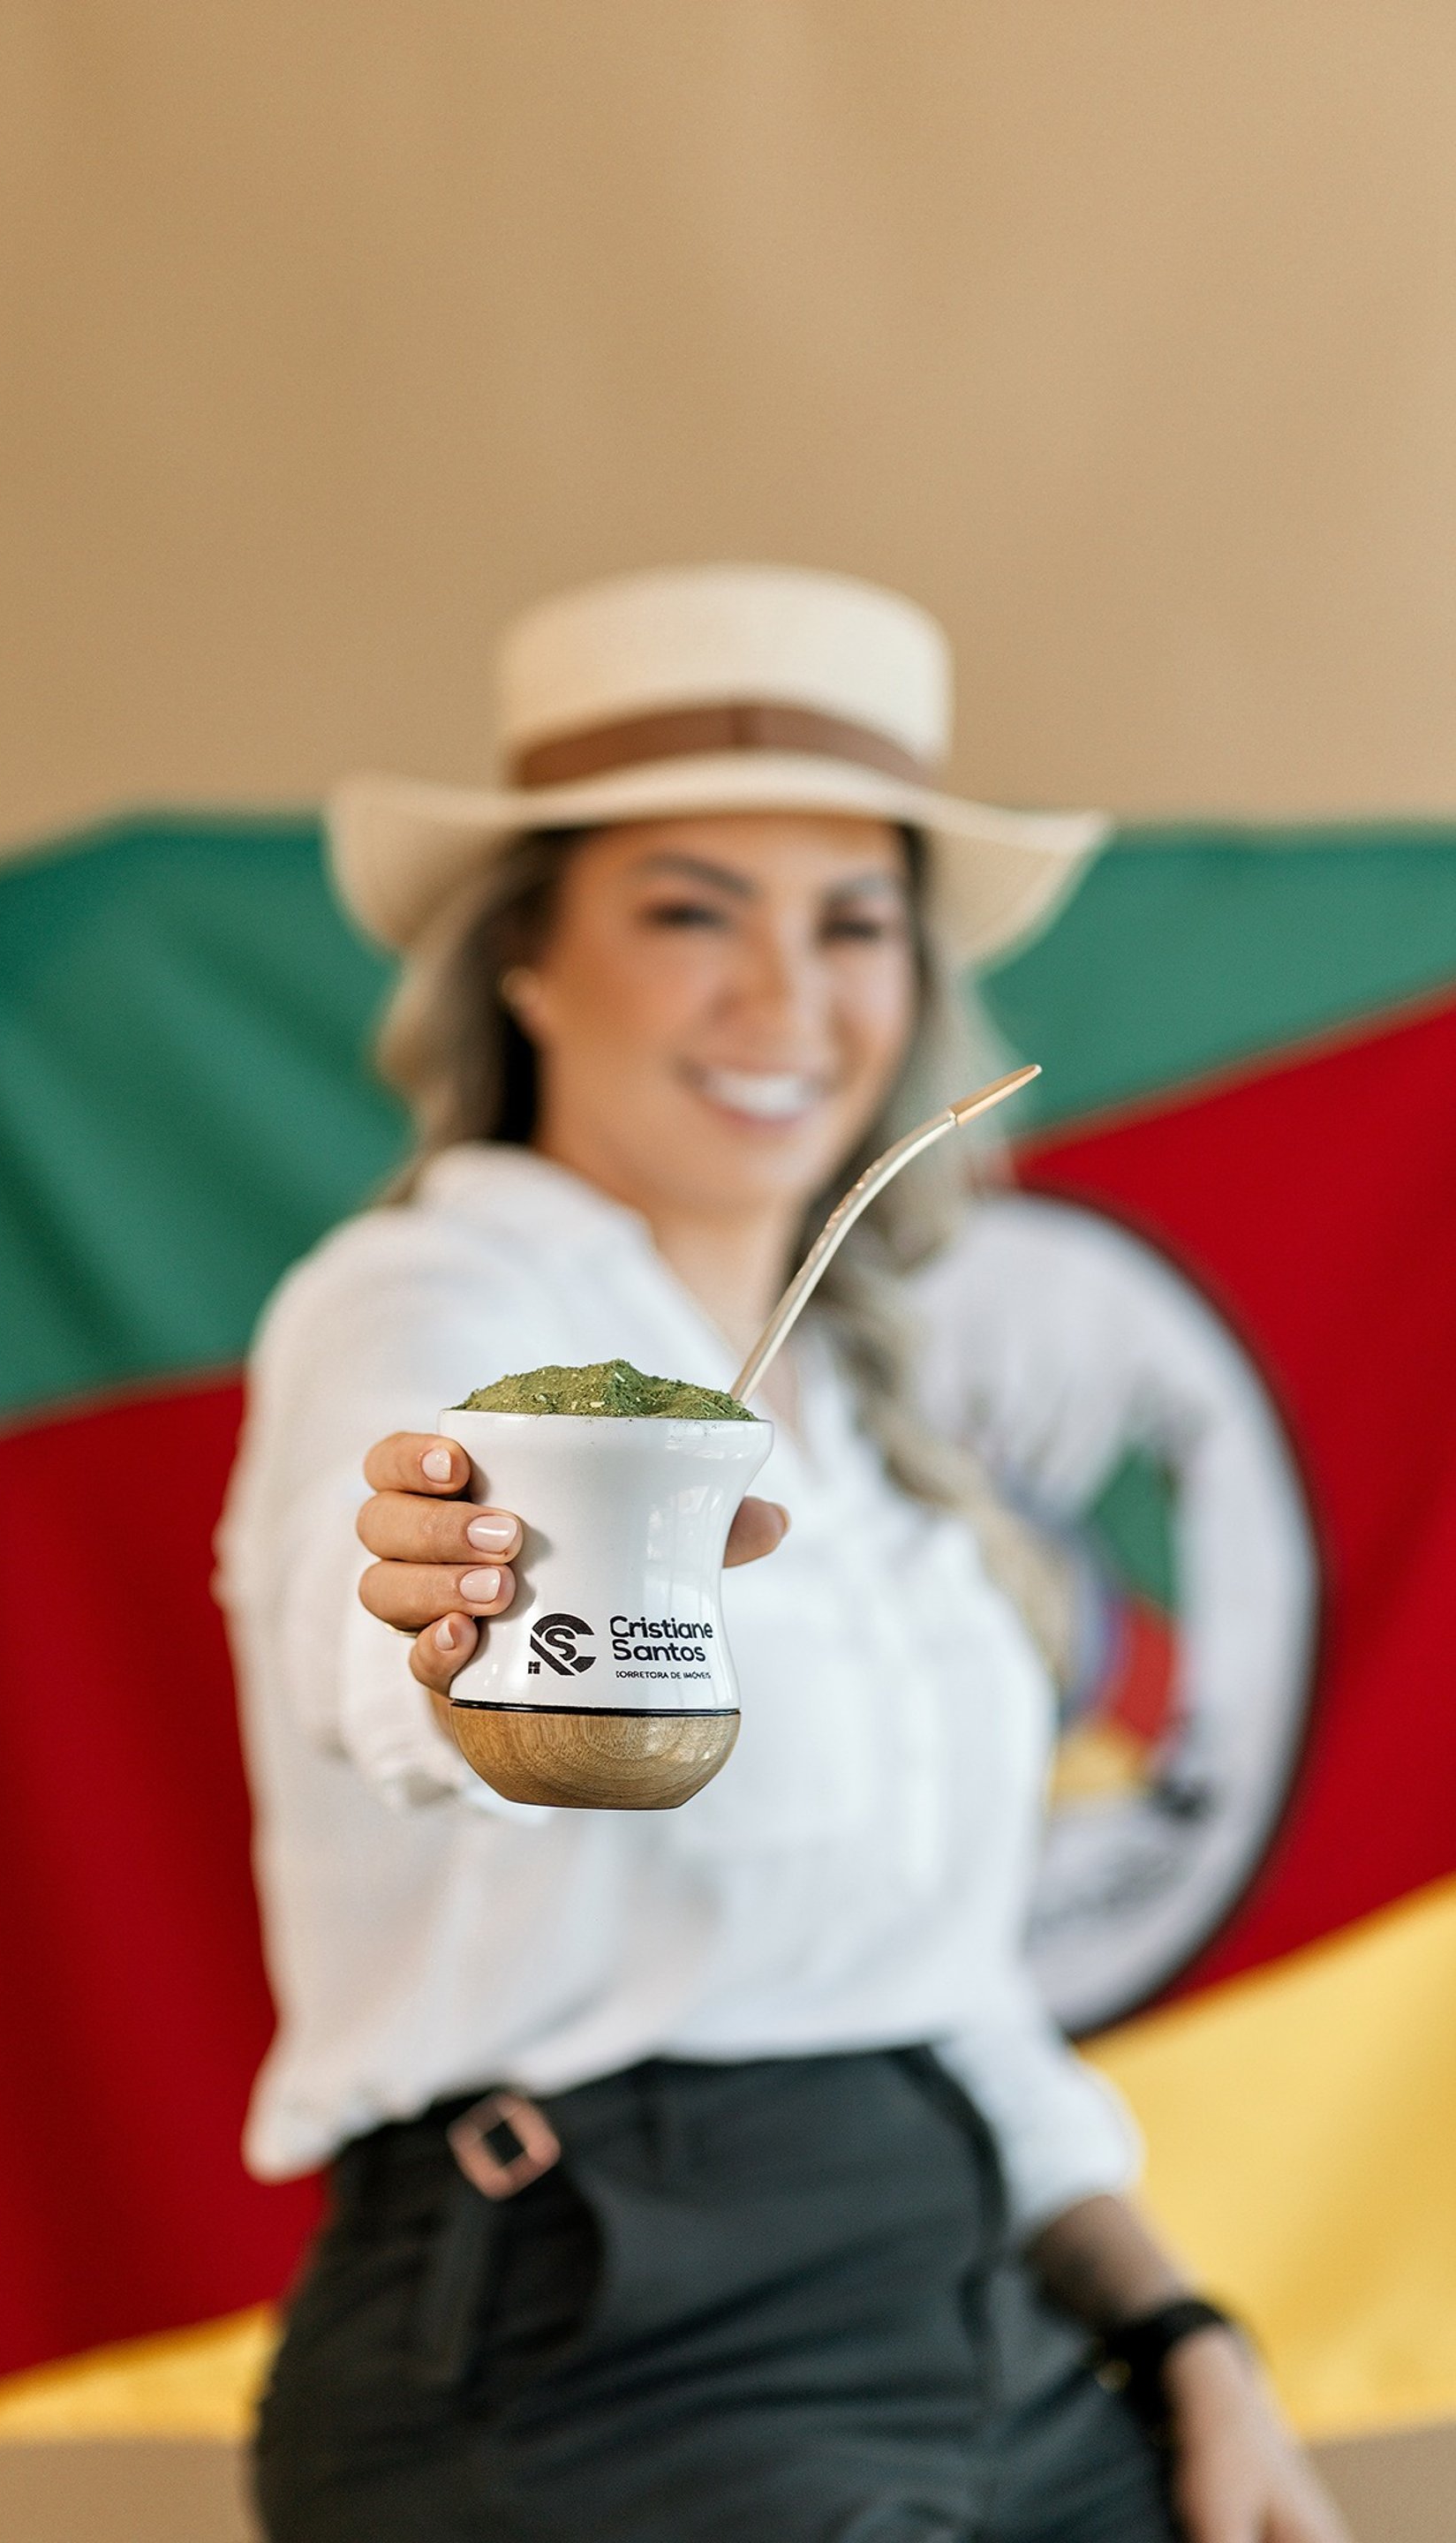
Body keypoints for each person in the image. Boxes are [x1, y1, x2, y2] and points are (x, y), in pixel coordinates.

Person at [217, 565, 1346, 2541]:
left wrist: (1185, 2341)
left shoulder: (879, 1413)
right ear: (527, 964)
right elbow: (370, 1595)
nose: (785, 999)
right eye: (686, 912)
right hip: (605, 2343)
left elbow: (944, 1988)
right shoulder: (424, 1301)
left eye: (854, 924)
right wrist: (440, 1608)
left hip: (984, 2329)